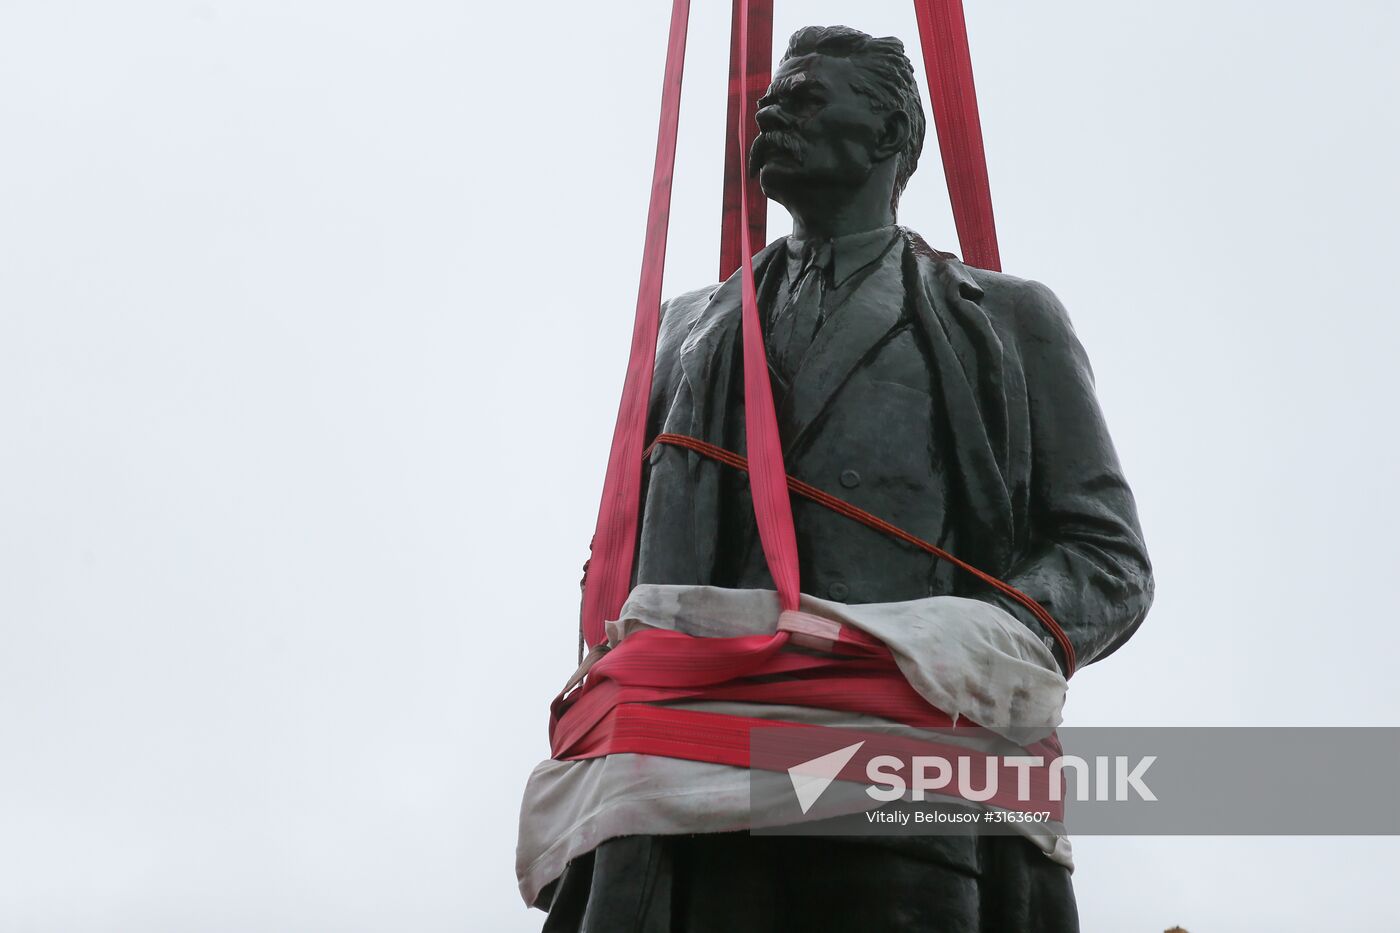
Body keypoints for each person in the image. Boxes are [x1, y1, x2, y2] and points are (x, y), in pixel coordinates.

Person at [535, 25, 1153, 931]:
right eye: (772, 97)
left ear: (891, 137)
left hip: (903, 796)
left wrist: (980, 636)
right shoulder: (684, 329)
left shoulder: (1008, 321)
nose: (772, 109)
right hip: (681, 801)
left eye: (811, 97)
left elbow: (1107, 560)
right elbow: (619, 554)